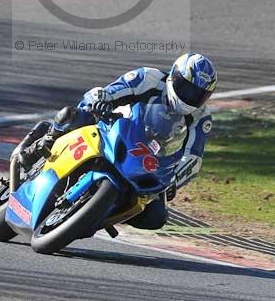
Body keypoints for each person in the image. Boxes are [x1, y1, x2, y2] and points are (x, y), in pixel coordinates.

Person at [15, 52, 217, 231]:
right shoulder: (150, 78)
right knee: (75, 115)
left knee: (156, 215)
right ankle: (42, 143)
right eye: (187, 88)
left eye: (199, 95)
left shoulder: (201, 118)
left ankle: (98, 215)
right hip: (114, 126)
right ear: (174, 76)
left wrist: (174, 181)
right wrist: (102, 100)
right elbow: (114, 90)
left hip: (147, 159)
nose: (191, 97)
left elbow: (192, 158)